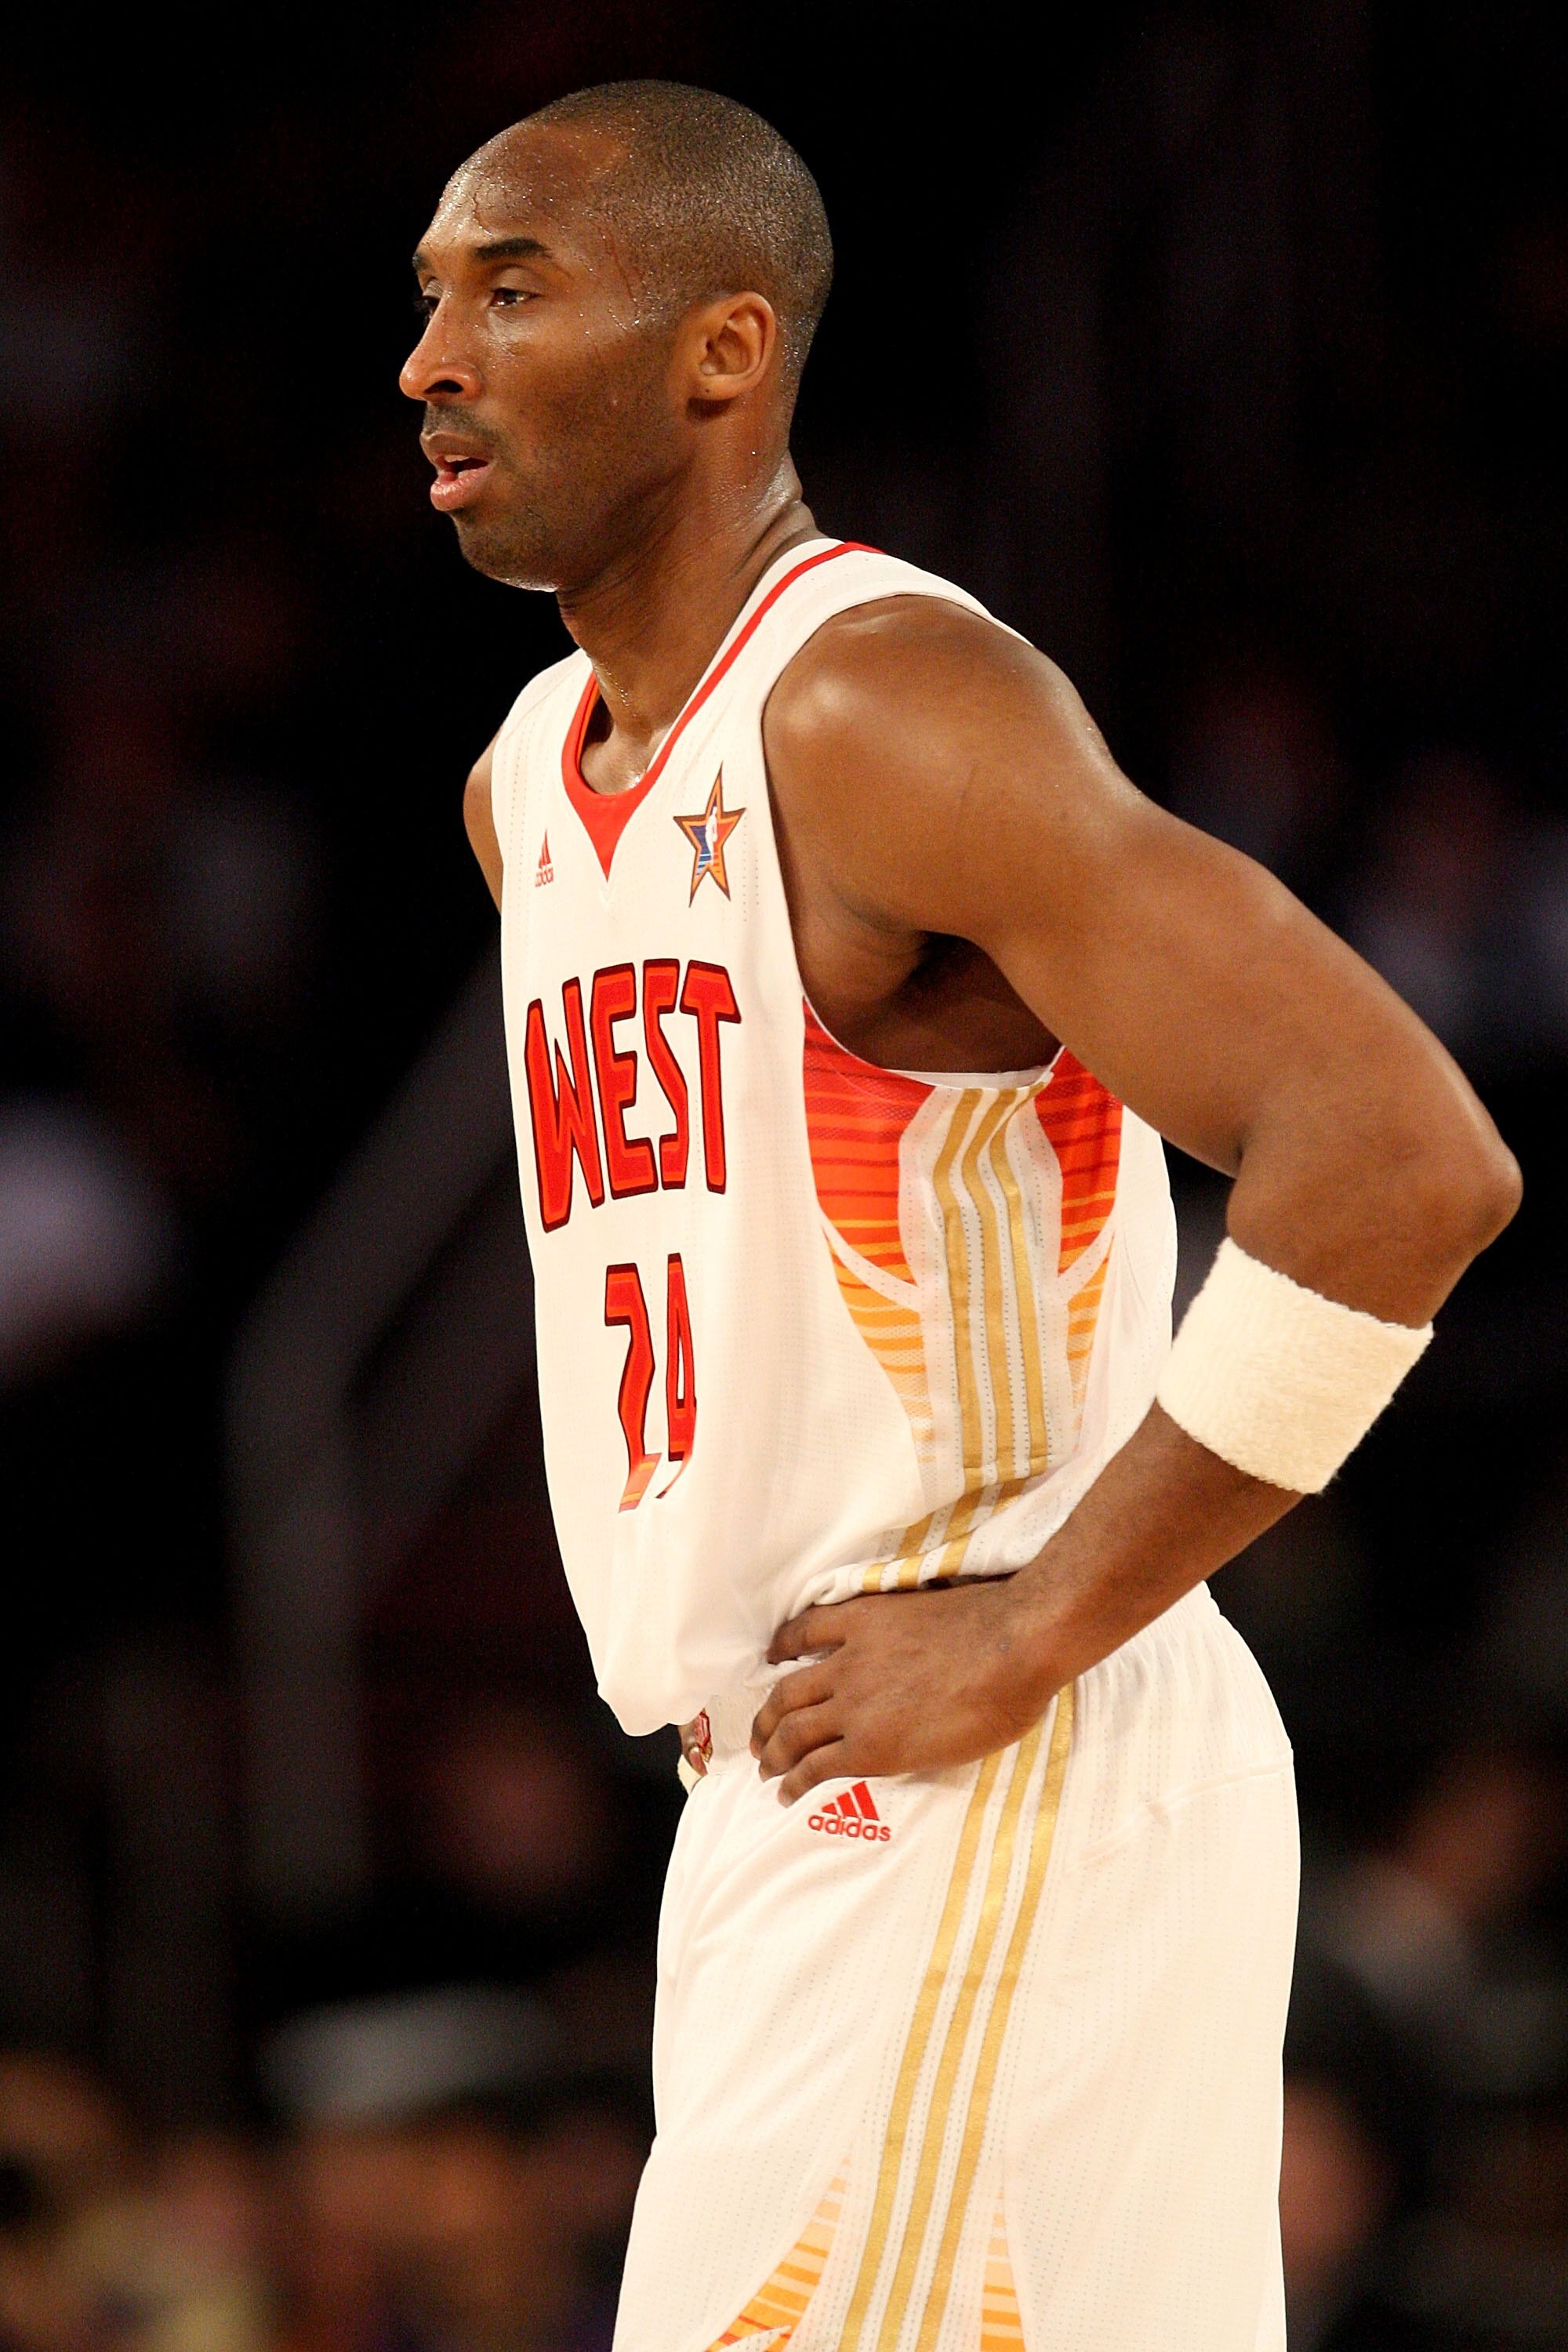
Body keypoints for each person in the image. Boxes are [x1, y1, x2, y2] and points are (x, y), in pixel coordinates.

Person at [400, 80, 1520, 2352]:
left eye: (509, 292)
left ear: (725, 350)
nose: (432, 360)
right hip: (797, 1789)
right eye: (427, 303)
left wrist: (1034, 1631)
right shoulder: (531, 787)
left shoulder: (883, 706)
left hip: (985, 1746)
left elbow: (1404, 1157)